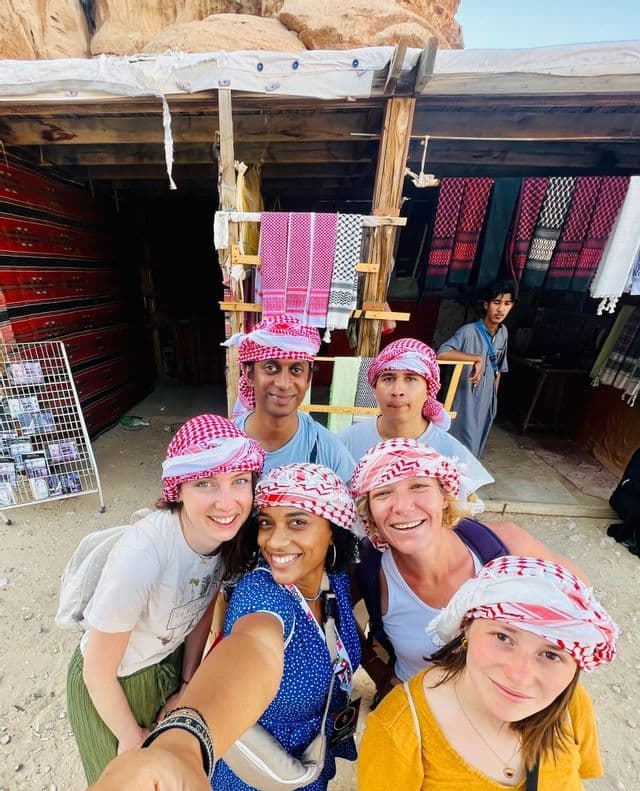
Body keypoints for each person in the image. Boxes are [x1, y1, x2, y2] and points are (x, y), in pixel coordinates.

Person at [88, 463, 361, 791]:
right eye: (265, 523)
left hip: (311, 760)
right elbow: (251, 648)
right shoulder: (262, 594)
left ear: (334, 529)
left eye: (298, 523)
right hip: (255, 777)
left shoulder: (336, 582)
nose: (274, 541)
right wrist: (184, 744)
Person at [66, 415, 265, 784]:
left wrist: (188, 684)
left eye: (239, 481)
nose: (227, 502)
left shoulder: (221, 539)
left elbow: (202, 609)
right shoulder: (143, 555)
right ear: (179, 489)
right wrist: (131, 737)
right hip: (114, 684)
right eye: (205, 482)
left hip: (167, 663)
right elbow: (97, 672)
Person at [349, 439, 587, 703]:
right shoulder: (370, 567)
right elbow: (331, 618)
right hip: (416, 711)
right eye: (383, 493)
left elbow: (582, 607)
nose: (403, 506)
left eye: (419, 486)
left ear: (444, 496)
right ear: (368, 511)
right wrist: (378, 672)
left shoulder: (504, 546)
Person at [358, 555, 618, 790]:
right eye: (503, 637)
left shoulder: (571, 705)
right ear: (467, 629)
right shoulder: (397, 730)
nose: (519, 676)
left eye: (551, 654)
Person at [338, 337, 493, 497]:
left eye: (411, 378)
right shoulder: (342, 445)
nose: (397, 390)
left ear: (428, 390)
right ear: (374, 390)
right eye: (388, 378)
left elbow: (452, 517)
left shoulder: (452, 453)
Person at [224, 314, 356, 482]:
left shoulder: (327, 449)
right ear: (249, 375)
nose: (284, 384)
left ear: (308, 380)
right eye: (271, 368)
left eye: (296, 370)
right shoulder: (225, 444)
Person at [438, 280, 516, 457]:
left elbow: (500, 368)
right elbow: (441, 353)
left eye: (507, 304)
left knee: (476, 445)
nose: (501, 309)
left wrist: (493, 399)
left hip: (485, 400)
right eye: (496, 303)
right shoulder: (468, 331)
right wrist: (475, 359)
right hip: (464, 397)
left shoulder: (503, 333)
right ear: (486, 304)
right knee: (458, 442)